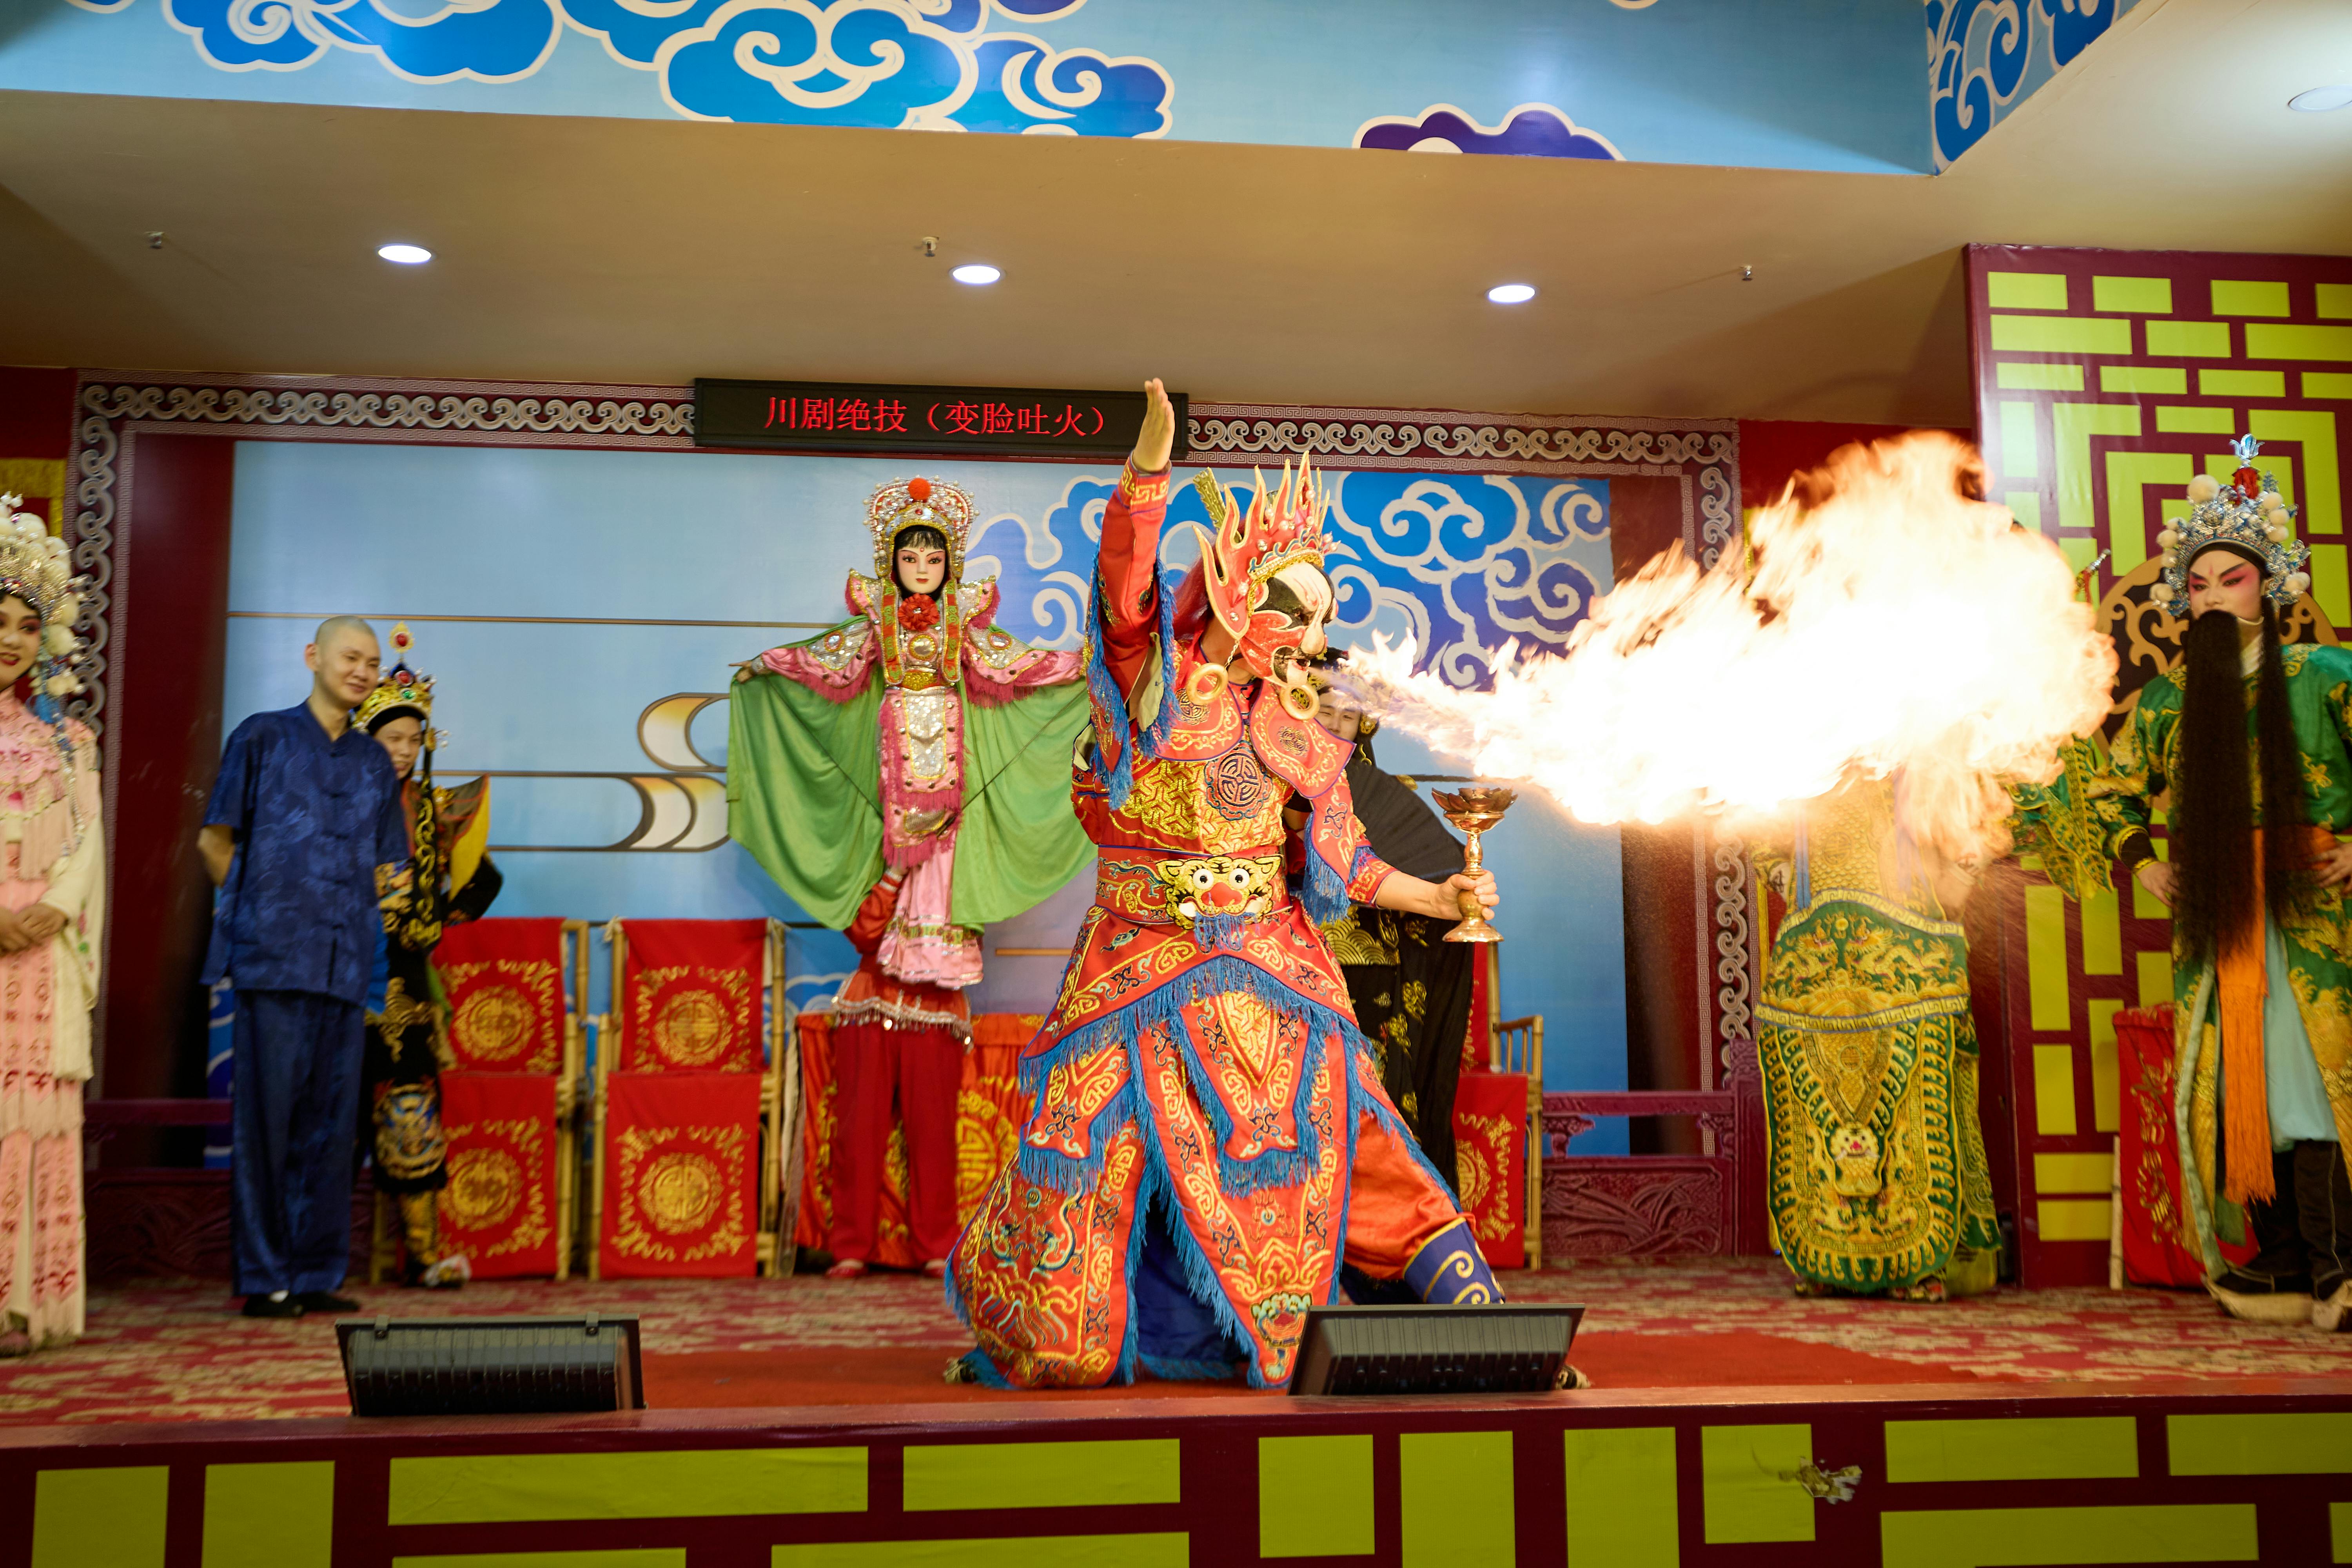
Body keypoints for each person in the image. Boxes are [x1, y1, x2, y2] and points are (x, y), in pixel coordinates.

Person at [947, 380, 1510, 1391]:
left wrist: (1442, 900)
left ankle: (1491, 1319)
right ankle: (1081, 1324)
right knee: (1081, 1171)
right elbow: (1124, 594)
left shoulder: (1297, 723)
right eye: (1292, 606)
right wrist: (1149, 474)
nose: (1306, 630)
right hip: (1139, 962)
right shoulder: (1151, 687)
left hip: (1271, 956)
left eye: (1320, 613)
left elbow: (1349, 857)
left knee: (1356, 1124)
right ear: (1237, 592)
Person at [728, 475, 1090, 1278]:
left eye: (934, 552)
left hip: (952, 808)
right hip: (890, 806)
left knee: (931, 1101)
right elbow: (819, 662)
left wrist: (1086, 667)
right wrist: (767, 667)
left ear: (949, 562)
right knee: (877, 962)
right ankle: (852, 1241)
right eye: (910, 552)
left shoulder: (965, 625)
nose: (922, 563)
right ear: (891, 564)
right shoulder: (876, 627)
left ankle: (933, 1241)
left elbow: (1024, 667)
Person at [2057, 441, 2352, 1328]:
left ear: (2269, 587)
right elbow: (2103, 790)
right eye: (2199, 585)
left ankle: (2341, 1260)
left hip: (2317, 917)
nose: (2215, 596)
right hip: (2218, 915)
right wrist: (2144, 860)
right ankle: (2280, 1258)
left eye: (2233, 579)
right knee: (2240, 1080)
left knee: (2314, 1076)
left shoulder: (2327, 679)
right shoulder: (2164, 704)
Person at [201, 617, 408, 1318]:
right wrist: (258, 908)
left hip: (346, 964)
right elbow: (213, 841)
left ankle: (316, 1272)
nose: (361, 670)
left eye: (372, 662)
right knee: (267, 1123)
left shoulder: (374, 761)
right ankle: (264, 1278)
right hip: (274, 958)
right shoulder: (260, 736)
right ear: (313, 657)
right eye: (350, 656)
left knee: (332, 1127)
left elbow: (390, 867)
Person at [1752, 776, 2003, 1300]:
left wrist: (1963, 870)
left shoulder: (1913, 723)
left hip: (1909, 946)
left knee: (1918, 1091)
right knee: (1822, 1100)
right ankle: (1832, 1258)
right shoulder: (1806, 741)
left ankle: (1926, 1262)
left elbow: (1985, 802)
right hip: (1820, 950)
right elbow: (1760, 828)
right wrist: (1783, 875)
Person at [356, 625, 500, 1289]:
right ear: (367, 741)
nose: (405, 752)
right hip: (342, 972)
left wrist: (437, 917)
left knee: (410, 1112)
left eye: (415, 741)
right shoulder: (340, 806)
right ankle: (313, 1260)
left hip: (407, 986)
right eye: (393, 740)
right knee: (332, 1119)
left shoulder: (435, 812)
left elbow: (485, 879)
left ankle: (421, 1254)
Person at [0, 497, 101, 1357]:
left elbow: (86, 843)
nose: (14, 637)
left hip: (36, 957)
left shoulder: (66, 740)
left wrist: (50, 910)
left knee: (31, 1125)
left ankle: (29, 1303)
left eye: (28, 623)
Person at [1309, 676, 1473, 1189]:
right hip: (1299, 967)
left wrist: (1455, 895)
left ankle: (1390, 1235)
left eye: (1348, 714)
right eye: (1325, 711)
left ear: (1365, 724)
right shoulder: (1275, 794)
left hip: (1372, 971)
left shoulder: (1386, 798)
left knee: (1377, 1097)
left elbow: (1419, 877)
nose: (1337, 723)